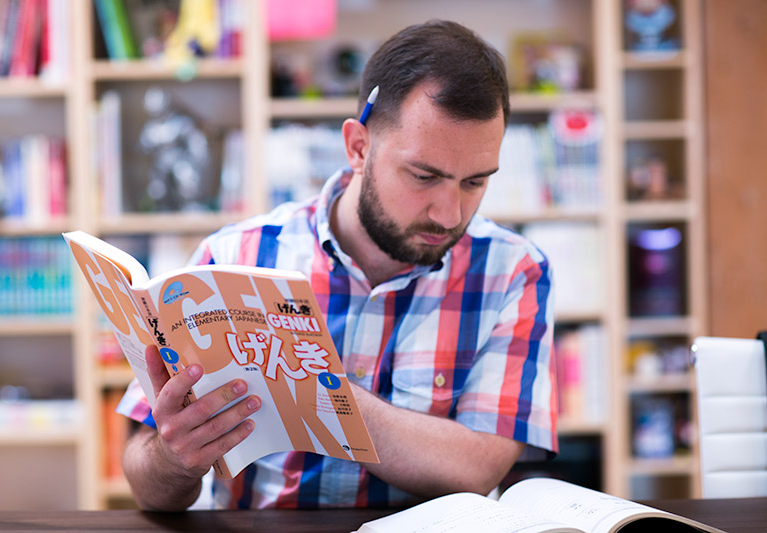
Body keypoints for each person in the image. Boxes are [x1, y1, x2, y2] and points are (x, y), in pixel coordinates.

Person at [119, 19, 558, 511]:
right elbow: (144, 477)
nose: (449, 213)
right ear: (358, 147)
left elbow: (479, 468)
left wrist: (307, 386)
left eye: (475, 182)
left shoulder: (515, 271)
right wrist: (174, 458)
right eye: (423, 176)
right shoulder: (233, 257)